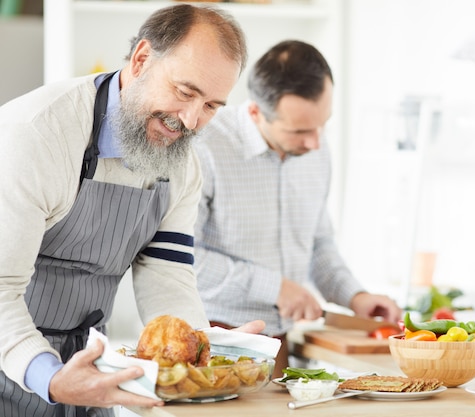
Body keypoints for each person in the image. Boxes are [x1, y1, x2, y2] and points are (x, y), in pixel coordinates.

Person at [0, 4, 264, 417]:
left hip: (90, 369)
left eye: (211, 106)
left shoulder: (181, 162)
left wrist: (199, 348)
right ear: (141, 60)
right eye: (184, 92)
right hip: (12, 364)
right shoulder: (34, 136)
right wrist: (50, 376)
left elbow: (166, 271)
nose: (191, 121)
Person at [193, 40, 403, 378]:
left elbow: (319, 243)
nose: (316, 143)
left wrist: (355, 296)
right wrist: (274, 287)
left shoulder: (315, 148)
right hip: (215, 342)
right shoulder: (205, 147)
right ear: (255, 112)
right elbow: (184, 258)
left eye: (323, 125)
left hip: (280, 343)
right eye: (300, 131)